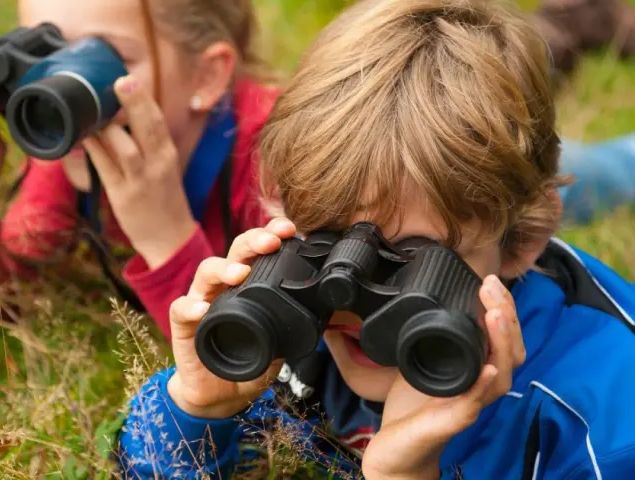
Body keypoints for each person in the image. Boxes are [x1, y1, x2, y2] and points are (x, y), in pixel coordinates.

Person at [115, 0, 635, 478]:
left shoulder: (601, 427)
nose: (353, 297)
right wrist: (196, 408)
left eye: (414, 258)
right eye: (323, 238)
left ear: (522, 241)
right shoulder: (296, 328)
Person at [0, 0, 278, 337]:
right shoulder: (70, 153)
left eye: (103, 57)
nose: (58, 86)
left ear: (206, 76)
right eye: (43, 53)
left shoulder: (277, 169)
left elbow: (277, 371)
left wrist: (167, 239)